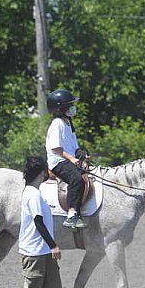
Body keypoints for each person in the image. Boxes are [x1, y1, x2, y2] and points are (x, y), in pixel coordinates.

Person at [0, 156, 62, 288]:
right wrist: (53, 245)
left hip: (42, 249)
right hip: (35, 250)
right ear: (41, 173)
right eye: (45, 171)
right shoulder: (33, 194)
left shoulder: (34, 192)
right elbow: (38, 222)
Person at [45, 88, 88, 230]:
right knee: (76, 179)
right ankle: (72, 214)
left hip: (68, 159)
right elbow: (55, 148)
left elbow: (74, 147)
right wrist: (72, 159)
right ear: (60, 109)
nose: (73, 108)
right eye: (70, 105)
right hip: (58, 161)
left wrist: (82, 155)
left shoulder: (68, 123)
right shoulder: (57, 124)